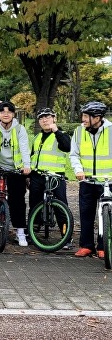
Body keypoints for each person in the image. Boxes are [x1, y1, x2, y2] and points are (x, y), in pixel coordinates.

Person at [0, 101, 31, 246]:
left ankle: (20, 232)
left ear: (13, 114)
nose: (6, 114)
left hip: (15, 167)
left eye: (9, 111)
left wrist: (27, 166)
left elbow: (24, 147)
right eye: (2, 111)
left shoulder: (19, 129)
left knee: (17, 199)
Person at [70, 101, 112, 258]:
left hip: (108, 181)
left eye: (87, 116)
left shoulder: (111, 131)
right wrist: (78, 170)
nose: (83, 119)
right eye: (83, 116)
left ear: (98, 118)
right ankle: (86, 245)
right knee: (86, 213)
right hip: (87, 180)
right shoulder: (79, 132)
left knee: (106, 214)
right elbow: (74, 154)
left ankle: (104, 245)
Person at [28, 108, 72, 249]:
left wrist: (56, 131)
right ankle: (33, 231)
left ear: (54, 118)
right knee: (34, 203)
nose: (44, 120)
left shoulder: (61, 135)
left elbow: (67, 147)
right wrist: (28, 176)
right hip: (37, 175)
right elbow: (32, 157)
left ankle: (66, 235)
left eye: (47, 117)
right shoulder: (37, 138)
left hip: (55, 176)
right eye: (41, 118)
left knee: (61, 206)